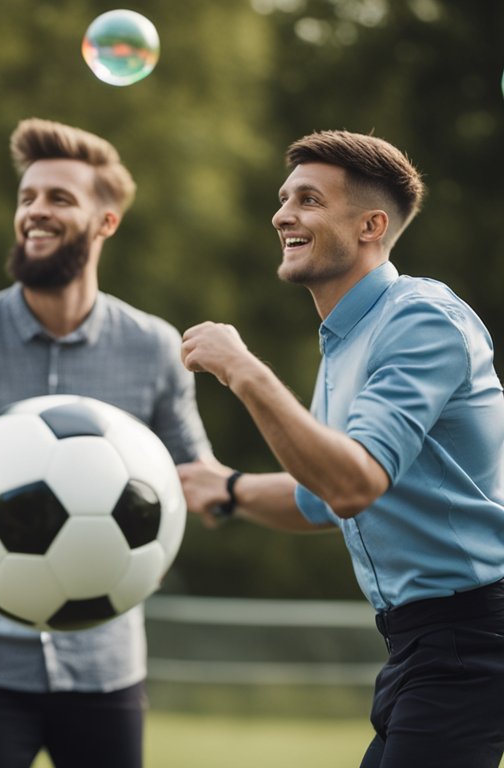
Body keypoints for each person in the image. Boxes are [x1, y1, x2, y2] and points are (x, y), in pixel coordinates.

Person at [0, 118, 212, 768]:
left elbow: (191, 477)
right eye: (27, 197)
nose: (35, 210)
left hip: (107, 661)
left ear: (105, 222)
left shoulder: (153, 348)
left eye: (59, 198)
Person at [177, 130, 504, 767]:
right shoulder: (345, 341)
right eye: (283, 199)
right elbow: (321, 499)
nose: (282, 215)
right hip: (420, 645)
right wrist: (229, 488)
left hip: (471, 639)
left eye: (309, 200)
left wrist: (243, 369)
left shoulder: (420, 319)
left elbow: (354, 485)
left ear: (370, 226)